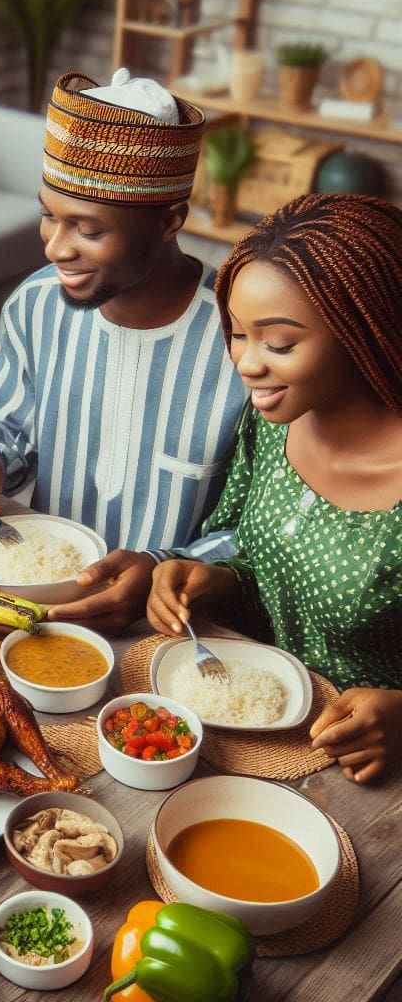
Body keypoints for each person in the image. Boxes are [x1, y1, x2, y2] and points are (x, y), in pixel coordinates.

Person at [0, 69, 248, 631]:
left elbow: (256, 531)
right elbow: (6, 431)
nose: (55, 247)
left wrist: (163, 569)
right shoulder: (33, 306)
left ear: (169, 220)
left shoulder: (243, 338)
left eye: (88, 229)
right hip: (40, 601)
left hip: (177, 629)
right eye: (48, 215)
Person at [147, 193, 402, 784]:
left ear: (366, 329)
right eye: (236, 334)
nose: (247, 363)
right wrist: (220, 579)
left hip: (368, 773)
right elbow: (251, 549)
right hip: (252, 735)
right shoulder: (270, 422)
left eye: (280, 343)